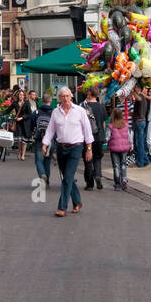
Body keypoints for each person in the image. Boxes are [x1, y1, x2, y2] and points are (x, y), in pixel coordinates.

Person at [42, 87, 93, 216]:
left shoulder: (80, 111)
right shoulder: (55, 112)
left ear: (71, 97)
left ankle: (62, 207)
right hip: (61, 148)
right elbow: (50, 130)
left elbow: (87, 130)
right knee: (67, 177)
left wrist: (89, 149)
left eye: (67, 96)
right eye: (62, 96)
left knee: (68, 177)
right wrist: (45, 143)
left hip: (76, 147)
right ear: (59, 98)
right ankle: (77, 202)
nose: (65, 99)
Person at [82, 87, 107, 190]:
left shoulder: (84, 108)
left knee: (88, 159)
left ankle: (89, 184)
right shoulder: (101, 107)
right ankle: (97, 175)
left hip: (88, 137)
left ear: (89, 94)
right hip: (99, 136)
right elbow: (104, 123)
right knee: (97, 158)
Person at [107, 104, 131, 190]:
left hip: (114, 148)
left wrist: (107, 143)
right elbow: (129, 135)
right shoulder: (126, 125)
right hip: (124, 148)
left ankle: (117, 184)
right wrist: (131, 145)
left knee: (116, 165)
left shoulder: (110, 126)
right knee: (123, 164)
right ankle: (124, 178)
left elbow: (108, 137)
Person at [33, 95, 53, 188]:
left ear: (42, 101)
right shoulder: (54, 112)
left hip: (39, 139)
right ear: (50, 101)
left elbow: (31, 124)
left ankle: (42, 174)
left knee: (39, 160)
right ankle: (47, 182)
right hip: (51, 140)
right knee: (47, 161)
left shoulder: (36, 112)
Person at [11, 88, 33, 162]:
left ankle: (23, 154)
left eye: (22, 95)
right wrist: (0, 114)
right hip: (18, 123)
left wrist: (22, 117)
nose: (21, 96)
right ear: (18, 96)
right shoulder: (15, 103)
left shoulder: (27, 103)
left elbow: (29, 114)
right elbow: (8, 110)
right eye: (20, 95)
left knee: (24, 140)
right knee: (20, 140)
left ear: (24, 96)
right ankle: (19, 152)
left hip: (26, 123)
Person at [132, 84, 149, 169]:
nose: (134, 88)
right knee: (140, 142)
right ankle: (145, 160)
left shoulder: (141, 96)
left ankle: (140, 162)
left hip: (139, 122)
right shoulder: (143, 98)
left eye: (135, 87)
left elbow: (138, 98)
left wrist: (133, 92)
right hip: (141, 121)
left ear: (138, 88)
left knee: (140, 143)